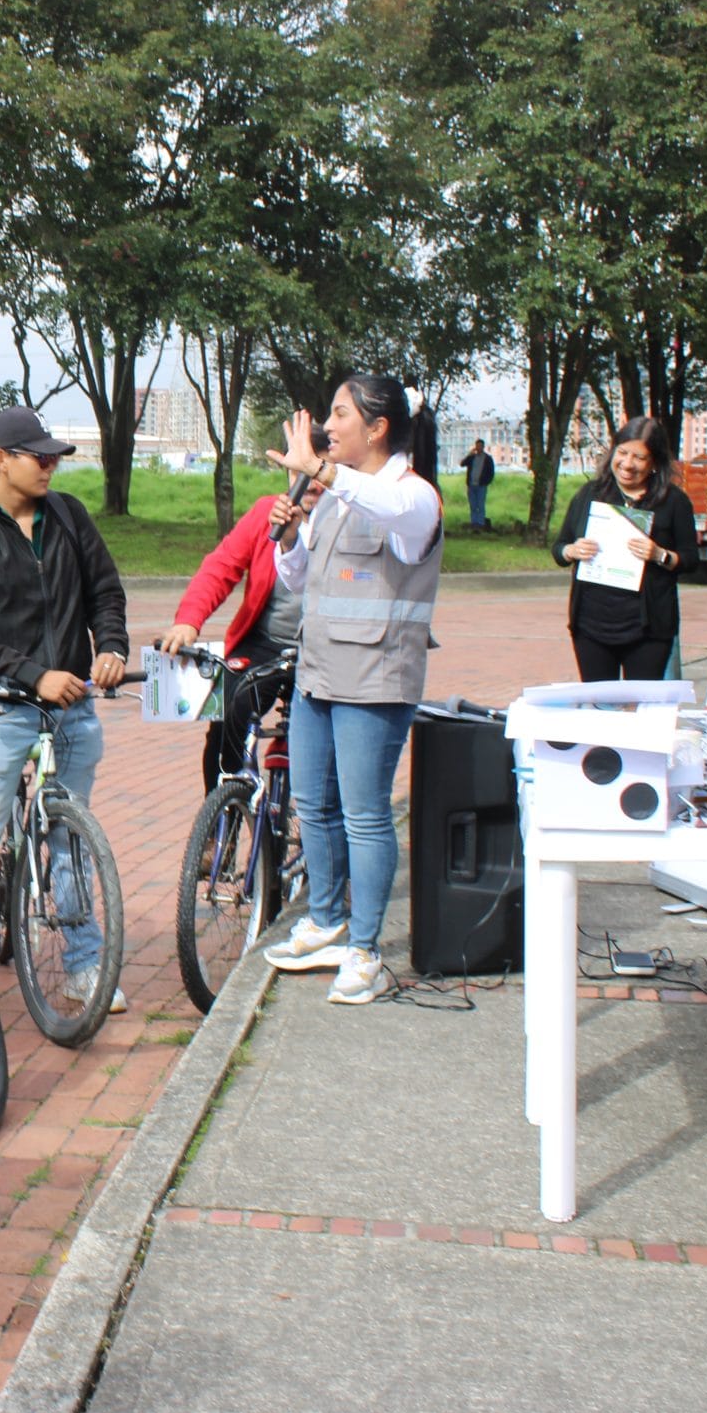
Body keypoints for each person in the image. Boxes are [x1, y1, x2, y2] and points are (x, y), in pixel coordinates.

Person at [0, 406, 132, 1021]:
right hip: (3, 708)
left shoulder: (69, 517)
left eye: (54, 457)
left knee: (69, 834)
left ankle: (82, 962)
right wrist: (32, 673)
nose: (50, 466)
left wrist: (113, 646)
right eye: (37, 456)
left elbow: (105, 591)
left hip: (73, 710)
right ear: (1, 460)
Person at [257, 374, 443, 1005]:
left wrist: (323, 476)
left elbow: (390, 514)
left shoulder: (414, 497)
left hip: (375, 680)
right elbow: (296, 575)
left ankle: (365, 948)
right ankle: (326, 920)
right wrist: (287, 531)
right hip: (317, 674)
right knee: (314, 804)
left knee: (365, 815)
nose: (327, 428)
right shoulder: (332, 496)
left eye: (339, 416)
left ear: (378, 427)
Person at [157, 427, 328, 793]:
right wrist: (188, 621)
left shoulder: (348, 519)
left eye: (319, 472)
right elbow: (221, 567)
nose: (311, 484)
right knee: (226, 714)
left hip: (329, 652)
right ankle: (222, 825)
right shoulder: (268, 512)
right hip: (267, 643)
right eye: (301, 473)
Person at [552, 416, 699, 682]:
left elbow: (690, 559)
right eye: (622, 453)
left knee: (642, 707)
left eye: (639, 458)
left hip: (648, 629)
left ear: (654, 462)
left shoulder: (674, 502)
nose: (628, 464)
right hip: (591, 624)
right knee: (599, 708)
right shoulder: (590, 494)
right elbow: (559, 548)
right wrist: (571, 551)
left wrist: (661, 555)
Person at [461, 437, 495, 531]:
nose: (478, 447)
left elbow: (491, 472)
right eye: (477, 446)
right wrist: (469, 454)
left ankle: (480, 523)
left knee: (480, 504)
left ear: (483, 447)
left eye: (480, 446)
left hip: (481, 485)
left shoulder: (487, 459)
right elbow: (462, 464)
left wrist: (486, 482)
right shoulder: (472, 458)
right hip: (471, 485)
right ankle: (474, 522)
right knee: (473, 505)